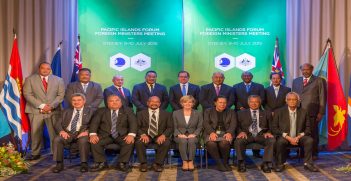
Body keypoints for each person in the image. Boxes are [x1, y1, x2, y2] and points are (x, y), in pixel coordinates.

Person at [23, 62, 65, 160]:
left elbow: (60, 96)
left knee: (53, 133)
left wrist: (50, 106)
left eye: (48, 69)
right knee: (35, 133)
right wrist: (42, 106)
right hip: (35, 110)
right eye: (43, 68)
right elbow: (27, 94)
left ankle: (56, 153)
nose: (45, 70)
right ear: (39, 69)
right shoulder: (30, 79)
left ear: (50, 69)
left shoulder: (59, 80)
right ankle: (35, 153)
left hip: (53, 110)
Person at [272, 92, 319, 172]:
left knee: (309, 140)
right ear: (286, 101)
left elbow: (308, 129)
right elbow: (274, 128)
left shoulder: (304, 112)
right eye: (289, 99)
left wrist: (298, 137)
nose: (292, 101)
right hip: (285, 137)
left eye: (294, 99)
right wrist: (288, 137)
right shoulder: (278, 112)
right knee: (280, 141)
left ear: (298, 101)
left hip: (299, 137)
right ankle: (280, 164)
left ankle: (308, 163)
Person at [89, 95, 137, 172]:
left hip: (121, 135)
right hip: (105, 134)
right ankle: (101, 163)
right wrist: (93, 134)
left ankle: (122, 163)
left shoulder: (128, 110)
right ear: (107, 103)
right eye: (111, 101)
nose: (114, 103)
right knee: (95, 141)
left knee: (129, 142)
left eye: (117, 100)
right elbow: (94, 123)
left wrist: (131, 134)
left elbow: (133, 123)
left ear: (121, 102)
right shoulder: (101, 111)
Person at [292, 63, 326, 159]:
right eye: (303, 70)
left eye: (307, 69)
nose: (305, 71)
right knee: (300, 133)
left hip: (312, 112)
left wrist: (321, 112)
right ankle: (302, 153)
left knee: (312, 133)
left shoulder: (319, 80)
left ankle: (314, 153)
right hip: (298, 111)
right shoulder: (296, 81)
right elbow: (293, 96)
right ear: (301, 70)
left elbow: (323, 98)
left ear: (312, 70)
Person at [52, 93, 93, 173]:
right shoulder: (66, 111)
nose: (76, 102)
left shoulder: (90, 111)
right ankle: (59, 163)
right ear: (71, 102)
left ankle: (84, 163)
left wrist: (88, 132)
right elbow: (57, 124)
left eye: (79, 100)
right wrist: (61, 131)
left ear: (84, 101)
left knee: (83, 140)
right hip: (68, 133)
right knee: (57, 139)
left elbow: (95, 124)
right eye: (74, 100)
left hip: (82, 133)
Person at [234, 95, 275, 173]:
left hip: (262, 135)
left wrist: (268, 132)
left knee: (271, 140)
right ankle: (241, 162)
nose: (254, 104)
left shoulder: (267, 113)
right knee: (238, 141)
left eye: (256, 102)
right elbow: (237, 126)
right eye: (252, 102)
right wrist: (240, 132)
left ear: (260, 103)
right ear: (248, 103)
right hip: (247, 135)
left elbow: (271, 126)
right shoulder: (240, 113)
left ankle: (266, 163)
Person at [135, 96, 173, 172]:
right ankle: (143, 163)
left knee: (166, 142)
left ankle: (158, 163)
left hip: (160, 135)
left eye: (157, 102)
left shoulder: (167, 114)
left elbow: (170, 127)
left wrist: (163, 135)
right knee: (139, 142)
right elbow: (136, 127)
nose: (154, 103)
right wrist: (142, 134)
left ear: (160, 104)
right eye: (152, 101)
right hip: (146, 135)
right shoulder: (140, 114)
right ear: (148, 103)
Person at [232, 71, 265, 158]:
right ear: (242, 77)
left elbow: (262, 98)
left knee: (256, 129)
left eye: (248, 75)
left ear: (252, 76)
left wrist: (253, 107)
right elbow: (234, 99)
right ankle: (241, 154)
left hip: (256, 110)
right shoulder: (235, 86)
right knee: (244, 129)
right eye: (244, 75)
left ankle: (256, 152)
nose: (246, 77)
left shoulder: (259, 86)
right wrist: (240, 108)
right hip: (240, 110)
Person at [203, 96, 236, 172]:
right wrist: (211, 132)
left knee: (224, 143)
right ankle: (219, 163)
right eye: (220, 102)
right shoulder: (208, 111)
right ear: (215, 103)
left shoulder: (231, 111)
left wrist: (229, 133)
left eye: (224, 103)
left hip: (226, 132)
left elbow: (233, 124)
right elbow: (206, 123)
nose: (222, 104)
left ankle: (225, 162)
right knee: (211, 143)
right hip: (210, 132)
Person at [173, 95, 203, 171]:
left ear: (193, 104)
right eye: (185, 102)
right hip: (179, 134)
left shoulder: (198, 113)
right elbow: (174, 126)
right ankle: (185, 161)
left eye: (190, 102)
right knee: (183, 141)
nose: (188, 104)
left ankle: (191, 161)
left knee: (192, 141)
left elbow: (200, 126)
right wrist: (179, 134)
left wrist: (195, 134)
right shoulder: (175, 113)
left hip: (193, 134)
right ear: (182, 103)